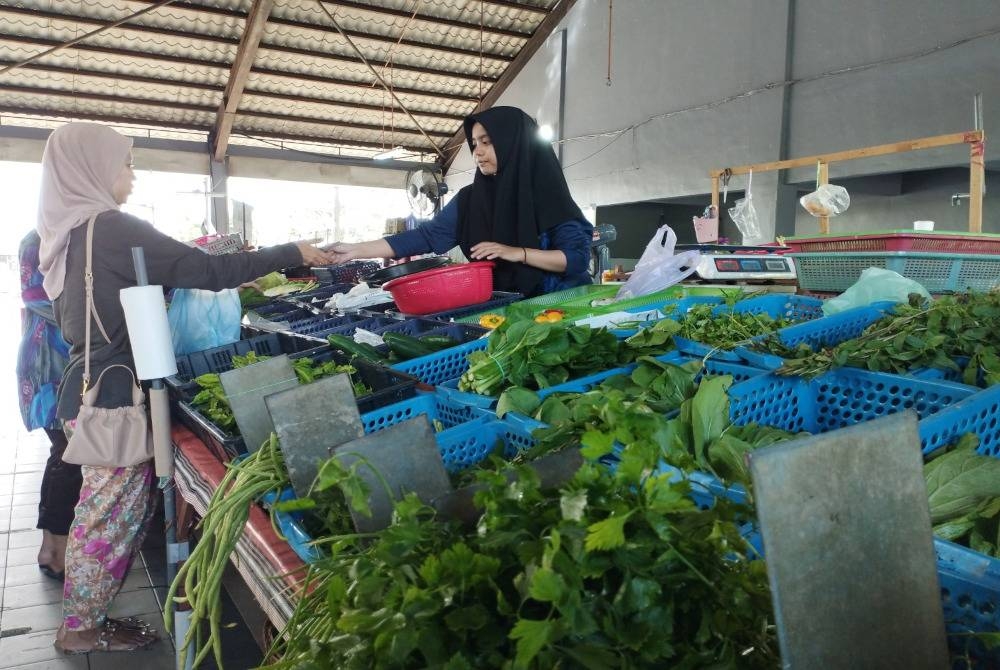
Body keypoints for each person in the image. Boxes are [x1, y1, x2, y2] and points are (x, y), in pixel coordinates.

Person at [36, 122, 335, 655]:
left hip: (85, 389)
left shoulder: (65, 233)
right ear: (94, 168)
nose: (131, 173)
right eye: (125, 162)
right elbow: (207, 270)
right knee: (106, 515)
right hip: (114, 397)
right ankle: (81, 627)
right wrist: (293, 251)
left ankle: (87, 617)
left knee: (106, 510)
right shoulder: (107, 226)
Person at [328, 106, 594, 298]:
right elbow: (426, 237)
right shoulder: (471, 199)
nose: (477, 152)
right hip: (506, 305)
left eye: (487, 142)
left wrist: (516, 252)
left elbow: (576, 260)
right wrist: (356, 249)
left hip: (562, 306)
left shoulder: (548, 196)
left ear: (514, 144)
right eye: (474, 143)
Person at [16, 229, 80, 582]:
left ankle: (52, 546)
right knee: (69, 454)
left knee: (63, 454)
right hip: (50, 364)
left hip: (61, 361)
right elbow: (36, 296)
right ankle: (57, 549)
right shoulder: (40, 239)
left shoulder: (69, 234)